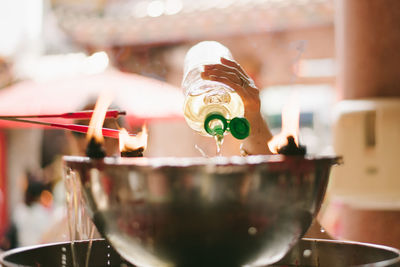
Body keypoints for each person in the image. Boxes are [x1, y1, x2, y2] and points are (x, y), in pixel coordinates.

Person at [201, 57, 273, 155]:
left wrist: (252, 116)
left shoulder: (254, 121)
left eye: (251, 81)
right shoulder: (201, 117)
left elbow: (268, 159)